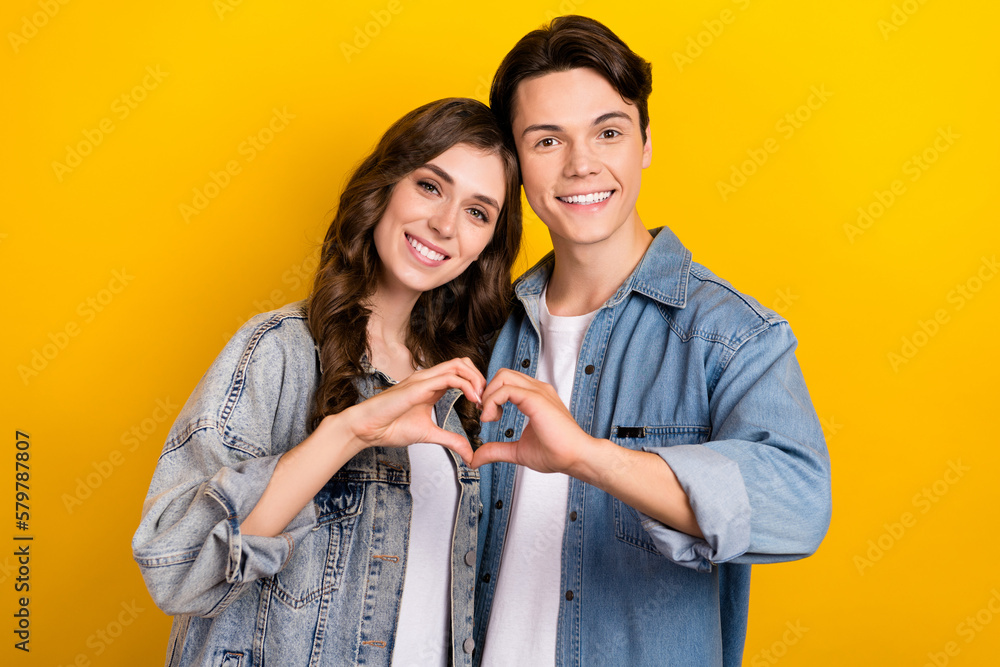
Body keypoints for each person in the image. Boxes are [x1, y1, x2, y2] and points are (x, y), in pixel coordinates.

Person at [470, 16, 832, 666]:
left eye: (608, 132)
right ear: (517, 165)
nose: (583, 164)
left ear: (644, 144)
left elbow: (800, 502)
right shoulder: (486, 325)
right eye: (547, 140)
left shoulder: (731, 333)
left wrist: (590, 457)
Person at [132, 97, 522, 667]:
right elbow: (175, 567)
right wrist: (348, 433)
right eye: (431, 186)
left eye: (478, 212)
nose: (444, 225)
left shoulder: (461, 389)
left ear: (487, 245)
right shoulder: (281, 349)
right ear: (385, 186)